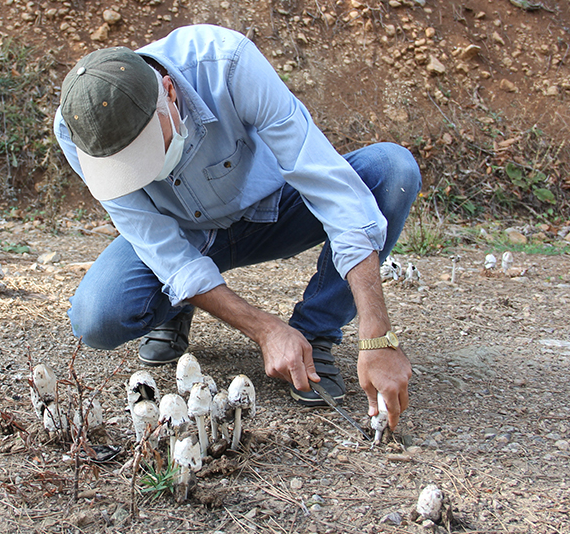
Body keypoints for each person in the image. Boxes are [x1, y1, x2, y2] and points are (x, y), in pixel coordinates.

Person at [53, 24, 420, 430]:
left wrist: (377, 332)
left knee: (392, 170)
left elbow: (332, 190)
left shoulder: (226, 63)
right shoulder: (79, 128)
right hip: (183, 233)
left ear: (170, 92)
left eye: (147, 151)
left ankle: (314, 333)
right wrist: (264, 330)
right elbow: (159, 245)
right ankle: (176, 306)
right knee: (96, 317)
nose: (144, 170)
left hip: (276, 211)